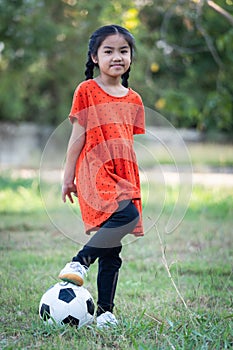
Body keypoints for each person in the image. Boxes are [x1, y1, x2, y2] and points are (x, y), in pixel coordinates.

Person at [59, 24, 145, 328]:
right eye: (108, 51)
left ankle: (106, 312)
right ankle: (79, 261)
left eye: (123, 51)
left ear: (131, 57)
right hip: (94, 170)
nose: (117, 57)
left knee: (113, 247)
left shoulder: (134, 99)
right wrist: (68, 176)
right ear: (95, 57)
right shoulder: (86, 91)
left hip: (122, 173)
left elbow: (125, 141)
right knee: (127, 217)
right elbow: (76, 137)